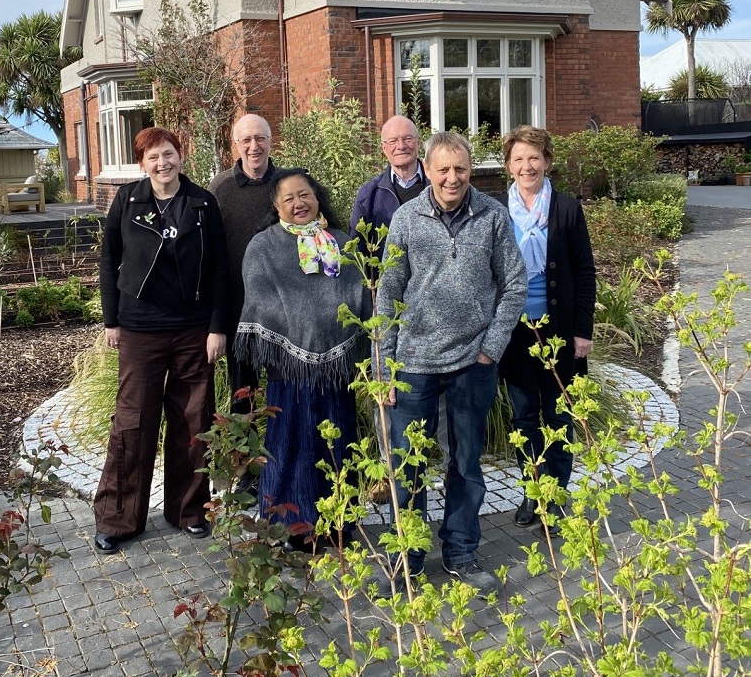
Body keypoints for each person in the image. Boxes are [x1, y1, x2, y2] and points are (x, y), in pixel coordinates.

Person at [378, 131, 527, 594]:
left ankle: (461, 551)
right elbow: (388, 294)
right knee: (409, 465)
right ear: (426, 169)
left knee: (466, 464)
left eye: (460, 169)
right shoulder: (406, 219)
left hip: (472, 363)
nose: (452, 178)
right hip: (414, 365)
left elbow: (515, 284)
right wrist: (384, 366)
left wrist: (491, 348)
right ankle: (409, 555)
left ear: (471, 170)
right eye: (442, 169)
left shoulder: (493, 217)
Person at [92, 127, 228, 553]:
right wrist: (111, 319)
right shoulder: (127, 201)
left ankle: (189, 512)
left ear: (180, 156)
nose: (162, 163)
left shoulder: (204, 204)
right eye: (153, 157)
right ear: (142, 164)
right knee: (133, 422)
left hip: (193, 329)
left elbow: (222, 270)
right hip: (139, 328)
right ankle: (118, 519)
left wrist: (217, 327)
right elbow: (110, 258)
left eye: (168, 154)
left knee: (193, 420)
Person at [235, 169, 367, 548]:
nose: (299, 203)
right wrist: (297, 330)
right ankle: (293, 527)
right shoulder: (264, 246)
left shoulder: (341, 242)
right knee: (291, 444)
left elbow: (359, 296)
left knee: (336, 442)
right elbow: (260, 300)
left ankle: (338, 522)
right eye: (289, 198)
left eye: (305, 194)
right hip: (286, 366)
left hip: (336, 367)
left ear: (317, 197)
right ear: (276, 205)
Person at [499, 125, 596, 532]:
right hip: (515, 332)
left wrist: (582, 331)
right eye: (519, 158)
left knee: (558, 416)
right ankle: (532, 492)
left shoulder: (568, 209)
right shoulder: (496, 211)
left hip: (557, 329)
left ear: (547, 162)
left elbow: (584, 271)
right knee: (524, 417)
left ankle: (555, 496)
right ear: (508, 166)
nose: (527, 166)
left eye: (534, 157)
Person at [208, 114, 276, 413]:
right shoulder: (220, 188)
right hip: (238, 308)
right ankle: (241, 456)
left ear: (270, 142)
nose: (253, 146)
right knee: (242, 396)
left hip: (281, 310)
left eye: (260, 138)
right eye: (246, 140)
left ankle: (280, 456)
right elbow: (209, 252)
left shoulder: (288, 183)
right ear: (235, 144)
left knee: (282, 391)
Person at [349, 116, 428, 249]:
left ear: (418, 143)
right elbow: (357, 246)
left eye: (408, 139)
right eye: (393, 141)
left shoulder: (438, 185)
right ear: (384, 148)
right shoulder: (369, 194)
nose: (401, 146)